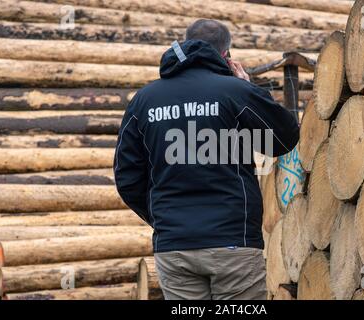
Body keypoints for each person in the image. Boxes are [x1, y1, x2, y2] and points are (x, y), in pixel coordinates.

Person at [114, 19, 299, 300]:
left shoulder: (144, 101)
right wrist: (250, 90)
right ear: (226, 56)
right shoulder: (235, 92)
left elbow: (127, 178)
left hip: (174, 246)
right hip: (233, 242)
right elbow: (284, 139)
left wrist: (165, 219)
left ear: (186, 44)